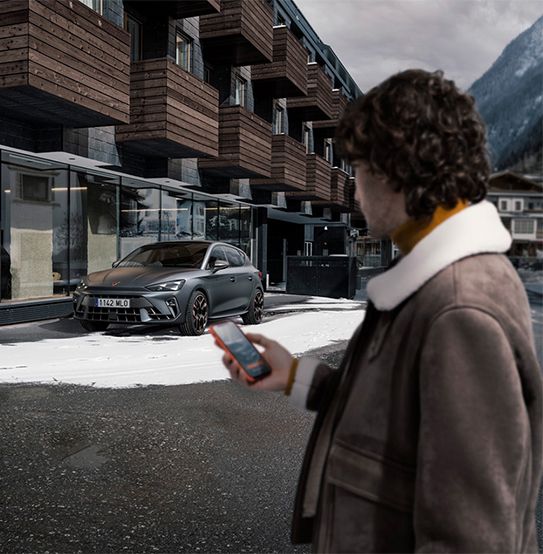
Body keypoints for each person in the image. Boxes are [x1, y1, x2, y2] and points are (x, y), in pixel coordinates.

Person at [218, 69, 543, 552]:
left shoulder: (459, 310)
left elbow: (472, 537)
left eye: (361, 170)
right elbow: (390, 414)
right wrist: (292, 377)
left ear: (401, 171)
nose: (354, 190)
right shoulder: (436, 281)